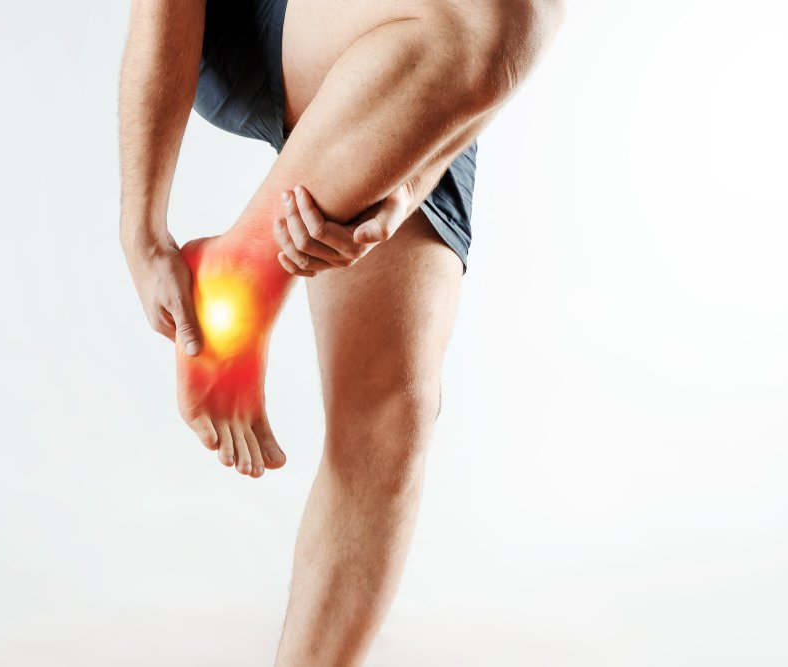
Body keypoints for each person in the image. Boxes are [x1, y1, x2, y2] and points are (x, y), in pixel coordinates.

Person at [118, 0, 563, 663]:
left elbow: (511, 41)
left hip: (426, 56)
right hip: (262, 25)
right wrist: (142, 227)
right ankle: (242, 272)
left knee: (392, 416)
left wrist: (412, 178)